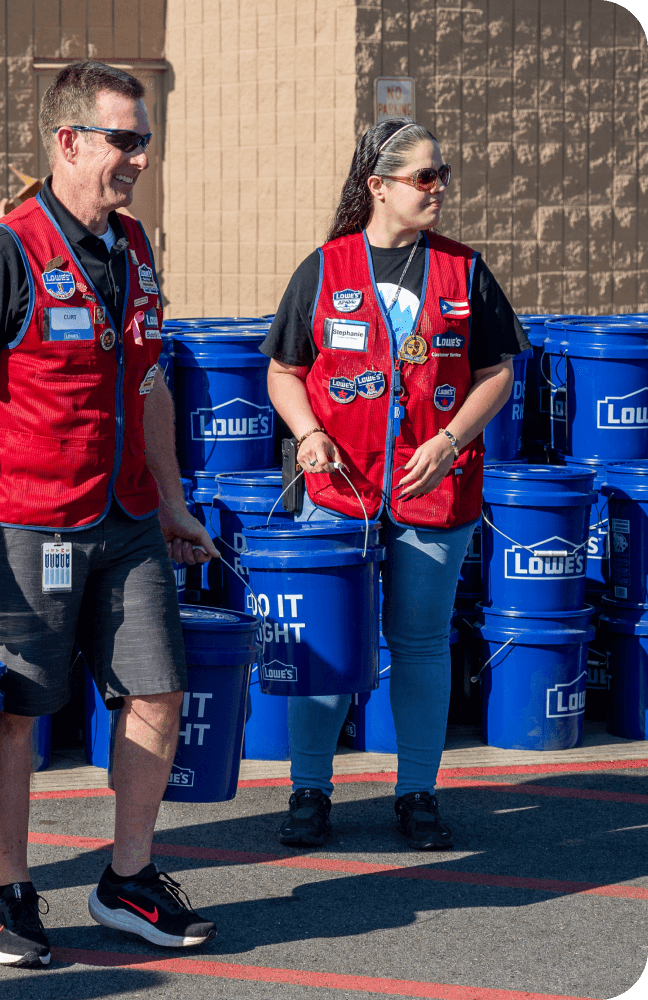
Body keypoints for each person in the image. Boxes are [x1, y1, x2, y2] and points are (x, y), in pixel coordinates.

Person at [0, 60, 220, 968]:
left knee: (158, 688)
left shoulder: (135, 248)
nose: (138, 158)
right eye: (124, 140)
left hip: (125, 517)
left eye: (145, 142)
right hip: (24, 525)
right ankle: (12, 894)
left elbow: (151, 380)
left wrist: (171, 501)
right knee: (18, 711)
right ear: (69, 140)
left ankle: (126, 880)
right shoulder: (4, 251)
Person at [261, 119, 529, 851]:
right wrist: (308, 433)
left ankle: (417, 793)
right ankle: (310, 790)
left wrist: (450, 442)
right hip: (338, 496)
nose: (439, 188)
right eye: (424, 177)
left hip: (434, 493)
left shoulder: (464, 271)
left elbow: (497, 372)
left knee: (418, 644)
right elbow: (283, 372)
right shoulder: (325, 268)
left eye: (442, 175)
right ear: (378, 186)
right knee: (322, 645)